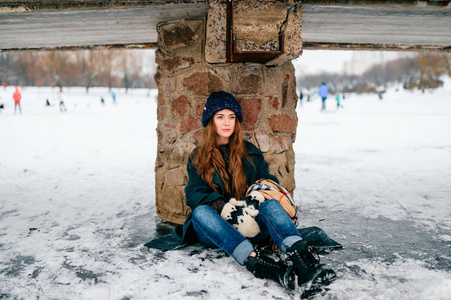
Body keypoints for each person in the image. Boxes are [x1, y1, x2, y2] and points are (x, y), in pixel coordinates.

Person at [145, 91, 336, 292]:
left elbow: (267, 180)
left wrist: (256, 196)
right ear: (211, 121)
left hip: (251, 222)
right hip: (217, 229)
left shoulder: (250, 151)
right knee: (200, 213)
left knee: (270, 204)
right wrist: (225, 208)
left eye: (231, 117)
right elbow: (194, 194)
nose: (227, 122)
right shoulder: (197, 158)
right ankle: (258, 262)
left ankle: (305, 263)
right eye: (220, 117)